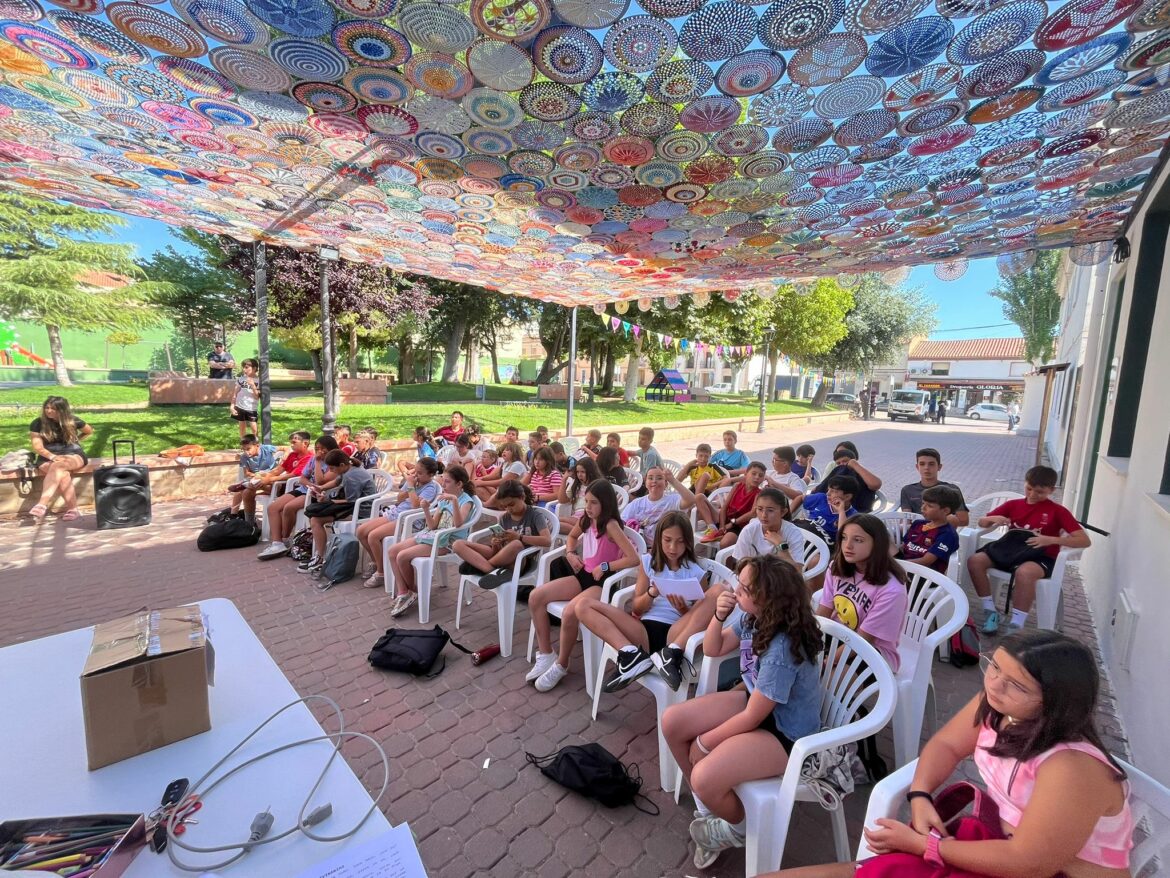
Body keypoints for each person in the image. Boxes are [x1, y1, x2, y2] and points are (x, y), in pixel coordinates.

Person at [775, 631, 1134, 878]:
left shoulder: (1072, 769)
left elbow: (1028, 863)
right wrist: (919, 796)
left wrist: (924, 845)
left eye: (1017, 684)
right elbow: (946, 746)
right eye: (995, 666)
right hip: (997, 851)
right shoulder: (1000, 708)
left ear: (1057, 701)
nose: (994, 684)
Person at [662, 555, 823, 869]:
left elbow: (753, 718)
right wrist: (718, 616)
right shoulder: (754, 617)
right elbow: (713, 648)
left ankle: (736, 827)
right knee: (673, 722)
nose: (737, 591)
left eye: (745, 589)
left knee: (704, 774)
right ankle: (711, 809)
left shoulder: (782, 648)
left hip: (785, 733)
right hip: (756, 703)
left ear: (767, 599)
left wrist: (704, 743)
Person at [578, 511, 725, 694]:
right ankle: (630, 655)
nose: (673, 547)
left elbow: (698, 621)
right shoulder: (648, 563)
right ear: (659, 539)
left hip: (676, 634)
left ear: (687, 542)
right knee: (583, 605)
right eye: (667, 540)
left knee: (719, 590)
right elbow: (637, 607)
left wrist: (682, 609)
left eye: (680, 541)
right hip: (643, 633)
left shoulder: (696, 573)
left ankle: (670, 654)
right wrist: (652, 593)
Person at [526, 480, 639, 692]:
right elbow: (571, 536)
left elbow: (634, 558)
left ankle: (562, 664)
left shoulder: (611, 525)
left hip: (603, 584)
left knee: (570, 612)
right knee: (535, 597)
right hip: (583, 575)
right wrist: (570, 553)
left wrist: (606, 565)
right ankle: (546, 653)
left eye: (593, 502)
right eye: (586, 501)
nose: (588, 507)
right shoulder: (587, 519)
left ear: (605, 504)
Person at [968, 465, 1090, 634]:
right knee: (975, 561)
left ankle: (1016, 625)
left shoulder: (1058, 511)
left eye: (1039, 492)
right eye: (1029, 489)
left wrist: (1050, 540)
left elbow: (1084, 540)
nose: (1032, 495)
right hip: (1011, 550)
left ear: (1051, 490)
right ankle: (990, 610)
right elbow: (981, 522)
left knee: (1025, 573)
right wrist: (993, 518)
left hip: (1042, 556)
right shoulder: (1013, 504)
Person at [816, 513, 909, 672]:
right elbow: (823, 612)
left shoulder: (892, 590)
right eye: (844, 538)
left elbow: (863, 639)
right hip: (838, 634)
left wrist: (824, 663)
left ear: (877, 544)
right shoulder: (836, 567)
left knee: (823, 679)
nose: (847, 546)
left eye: (858, 540)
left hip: (872, 652)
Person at [386, 465, 476, 617]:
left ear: (459, 484)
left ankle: (412, 591)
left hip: (448, 543)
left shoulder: (465, 501)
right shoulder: (444, 499)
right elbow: (433, 525)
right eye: (443, 481)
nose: (443, 485)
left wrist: (454, 500)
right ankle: (404, 591)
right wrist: (426, 509)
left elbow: (458, 524)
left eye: (447, 482)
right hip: (433, 535)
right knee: (393, 551)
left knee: (402, 556)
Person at [451, 479, 553, 589]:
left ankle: (480, 566)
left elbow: (547, 541)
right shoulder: (504, 518)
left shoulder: (535, 515)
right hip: (500, 557)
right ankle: (492, 570)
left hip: (520, 560)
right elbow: (497, 551)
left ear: (522, 497)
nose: (509, 509)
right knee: (458, 545)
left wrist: (520, 537)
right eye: (505, 506)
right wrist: (495, 543)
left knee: (516, 544)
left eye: (511, 504)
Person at [356, 457, 440, 589]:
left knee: (373, 536)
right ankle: (377, 562)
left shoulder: (431, 487)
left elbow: (415, 505)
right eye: (415, 471)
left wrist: (411, 487)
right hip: (396, 513)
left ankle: (381, 573)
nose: (415, 475)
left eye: (420, 473)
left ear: (430, 475)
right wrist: (409, 486)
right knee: (361, 531)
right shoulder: (413, 481)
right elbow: (399, 499)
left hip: (410, 520)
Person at [257, 434, 337, 559]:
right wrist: (310, 484)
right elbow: (302, 478)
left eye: (322, 448)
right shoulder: (313, 459)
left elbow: (321, 482)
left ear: (330, 448)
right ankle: (277, 543)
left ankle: (285, 538)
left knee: (289, 507)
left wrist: (317, 462)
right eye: (317, 448)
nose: (319, 452)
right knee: (273, 507)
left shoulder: (333, 462)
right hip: (305, 489)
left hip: (318, 494)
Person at [300, 450, 376, 576]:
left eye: (332, 468)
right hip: (353, 504)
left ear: (341, 465)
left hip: (360, 510)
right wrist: (320, 488)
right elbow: (336, 482)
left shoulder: (352, 476)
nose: (331, 471)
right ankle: (320, 554)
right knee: (314, 514)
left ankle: (320, 557)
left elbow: (351, 501)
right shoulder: (348, 468)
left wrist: (329, 500)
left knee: (316, 519)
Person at [26, 396, 93, 521]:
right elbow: (37, 446)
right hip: (47, 456)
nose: (49, 411)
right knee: (62, 473)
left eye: (53, 409)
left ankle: (42, 504)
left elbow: (89, 431)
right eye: (47, 407)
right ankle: (73, 509)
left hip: (73, 454)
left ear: (62, 410)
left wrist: (77, 441)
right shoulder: (37, 423)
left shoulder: (72, 420)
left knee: (58, 466)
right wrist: (52, 456)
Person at [240, 430, 313, 524]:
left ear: (305, 443)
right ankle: (249, 524)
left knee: (254, 485)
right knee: (247, 492)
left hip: (293, 488)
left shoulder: (309, 457)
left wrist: (268, 479)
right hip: (281, 485)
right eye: (291, 442)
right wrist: (265, 476)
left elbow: (292, 475)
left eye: (294, 442)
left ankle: (247, 484)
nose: (291, 445)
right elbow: (278, 470)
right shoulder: (292, 455)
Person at [730, 487, 805, 574]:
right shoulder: (749, 530)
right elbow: (741, 566)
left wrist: (781, 545)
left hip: (782, 582)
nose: (764, 515)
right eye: (760, 509)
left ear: (783, 512)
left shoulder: (793, 533)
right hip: (753, 578)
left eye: (770, 510)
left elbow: (797, 573)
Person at [697, 461, 767, 548]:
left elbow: (752, 513)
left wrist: (731, 523)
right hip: (724, 518)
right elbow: (724, 507)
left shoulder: (759, 494)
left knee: (725, 543)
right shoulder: (737, 486)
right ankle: (712, 528)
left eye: (761, 475)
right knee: (699, 497)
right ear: (746, 474)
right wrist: (722, 525)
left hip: (738, 525)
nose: (757, 477)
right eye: (754, 474)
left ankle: (724, 560)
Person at [898, 484, 962, 575]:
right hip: (904, 565)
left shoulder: (947, 534)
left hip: (924, 575)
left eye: (930, 506)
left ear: (945, 511)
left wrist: (895, 565)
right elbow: (903, 547)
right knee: (877, 532)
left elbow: (926, 561)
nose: (923, 508)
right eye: (923, 503)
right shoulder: (918, 524)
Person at [623, 465, 696, 544]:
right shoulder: (637, 503)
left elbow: (691, 500)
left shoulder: (672, 500)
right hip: (642, 546)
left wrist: (672, 480)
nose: (654, 481)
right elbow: (621, 522)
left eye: (659, 478)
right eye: (650, 478)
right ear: (646, 483)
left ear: (666, 484)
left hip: (665, 547)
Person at [898, 448, 969, 527]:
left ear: (939, 467)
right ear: (917, 467)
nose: (926, 468)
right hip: (917, 533)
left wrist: (939, 521)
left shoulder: (951, 489)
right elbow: (906, 519)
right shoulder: (908, 490)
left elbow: (964, 520)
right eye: (922, 464)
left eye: (931, 464)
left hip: (943, 534)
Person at [812, 442, 882, 513]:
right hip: (834, 511)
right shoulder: (837, 471)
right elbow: (821, 488)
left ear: (854, 458)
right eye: (839, 463)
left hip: (857, 513)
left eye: (845, 461)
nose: (842, 464)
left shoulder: (860, 472)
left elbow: (875, 484)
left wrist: (855, 465)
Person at [801, 474, 860, 546]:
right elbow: (800, 498)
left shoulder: (853, 516)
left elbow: (843, 535)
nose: (828, 493)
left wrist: (841, 511)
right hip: (803, 533)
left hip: (819, 546)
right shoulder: (822, 498)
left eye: (833, 491)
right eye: (828, 490)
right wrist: (790, 515)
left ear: (847, 496)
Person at [228, 434, 277, 516]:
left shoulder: (266, 448)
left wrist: (285, 455)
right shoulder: (244, 457)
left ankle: (245, 485)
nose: (246, 452)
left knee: (244, 487)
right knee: (245, 491)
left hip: (271, 476)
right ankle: (234, 515)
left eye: (248, 449)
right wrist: (255, 474)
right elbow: (247, 473)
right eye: (243, 450)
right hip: (256, 477)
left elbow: (285, 448)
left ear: (257, 445)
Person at [557, 457, 602, 533]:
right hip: (576, 518)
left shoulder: (598, 485)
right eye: (577, 472)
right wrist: (564, 480)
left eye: (583, 472)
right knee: (555, 523)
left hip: (590, 518)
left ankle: (582, 534)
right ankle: (582, 534)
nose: (579, 475)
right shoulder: (577, 485)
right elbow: (562, 500)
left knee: (557, 522)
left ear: (591, 472)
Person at [765, 445, 808, 512]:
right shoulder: (769, 473)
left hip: (775, 510)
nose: (772, 462)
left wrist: (774, 483)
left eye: (775, 460)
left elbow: (798, 495)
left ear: (784, 463)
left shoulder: (792, 478)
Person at [230, 358, 259, 439]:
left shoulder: (259, 381)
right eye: (243, 367)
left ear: (254, 368)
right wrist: (232, 406)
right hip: (240, 406)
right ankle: (243, 443)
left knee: (254, 427)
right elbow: (235, 393)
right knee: (242, 425)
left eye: (246, 367)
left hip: (251, 407)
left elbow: (257, 396)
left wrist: (253, 385)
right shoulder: (241, 379)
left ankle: (256, 443)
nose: (244, 369)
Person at [631, 427, 662, 496]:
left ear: (650, 441)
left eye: (643, 439)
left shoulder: (650, 454)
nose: (640, 440)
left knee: (630, 492)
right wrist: (620, 451)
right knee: (630, 485)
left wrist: (637, 481)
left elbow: (649, 476)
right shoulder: (643, 450)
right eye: (639, 438)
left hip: (654, 482)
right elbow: (632, 453)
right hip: (645, 479)